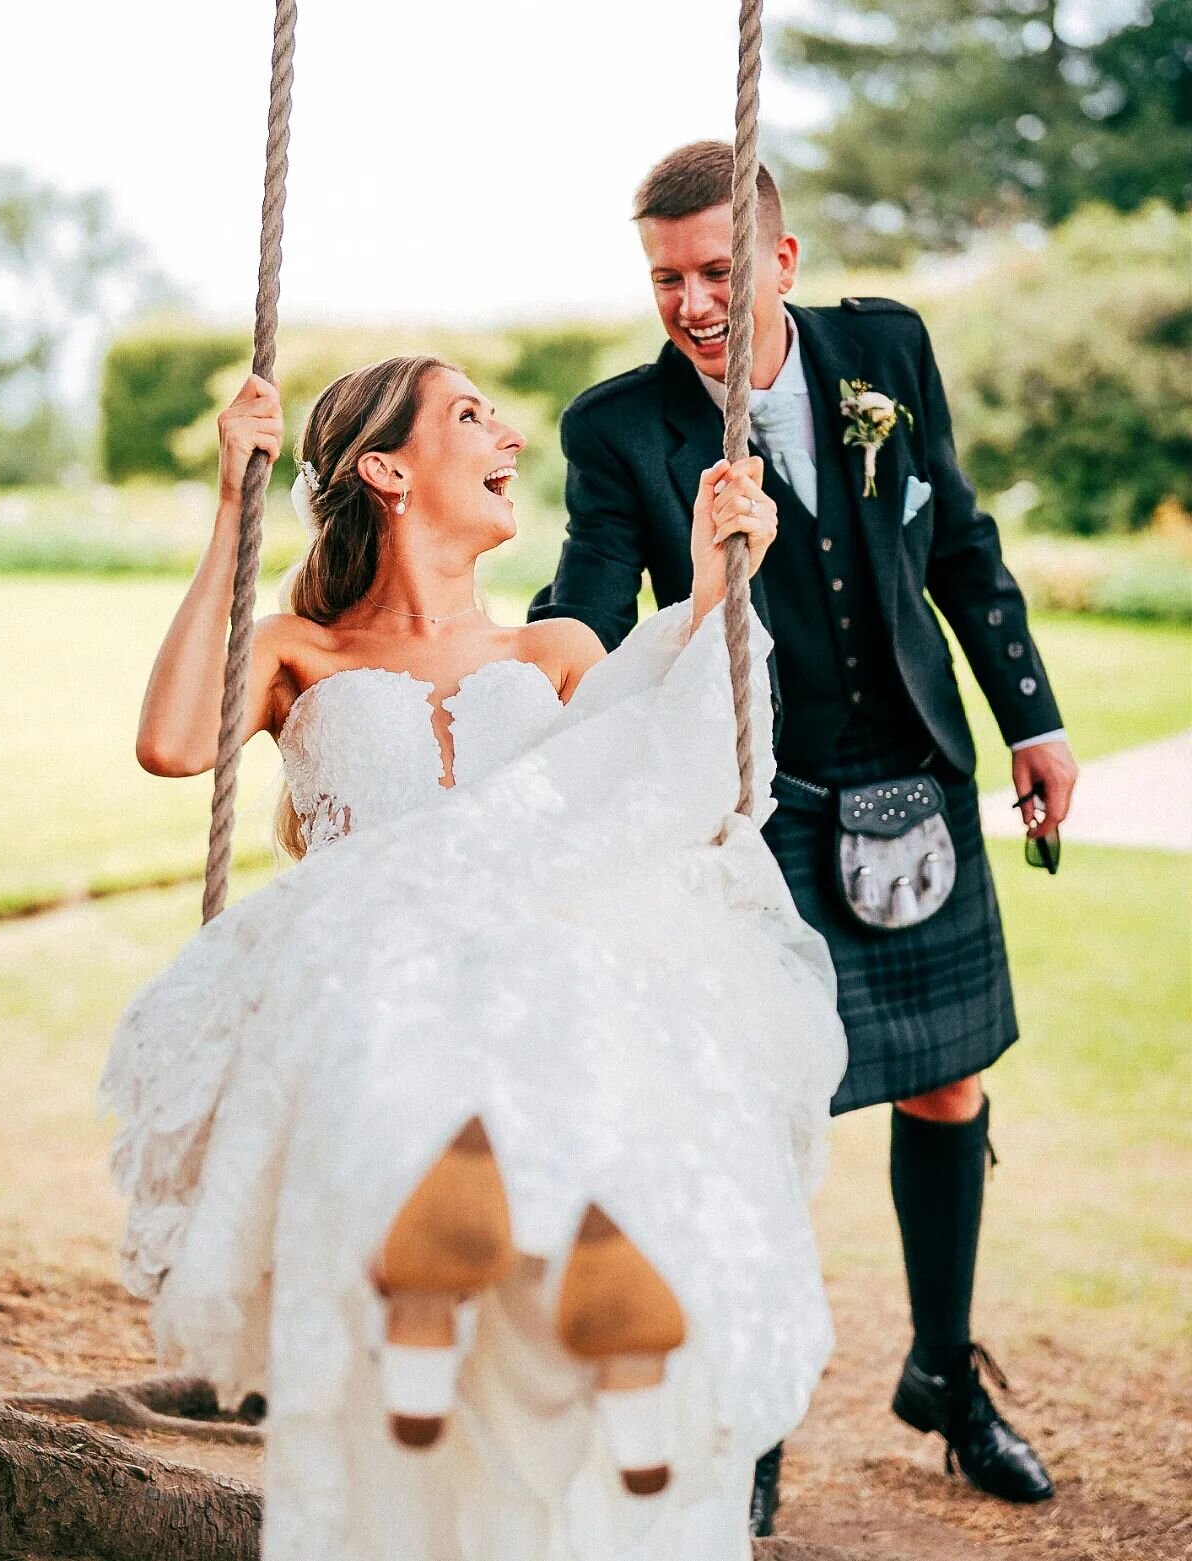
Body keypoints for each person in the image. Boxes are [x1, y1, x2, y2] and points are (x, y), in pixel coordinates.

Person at [102, 353, 848, 1560]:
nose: (508, 434)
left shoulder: (554, 651)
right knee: (413, 993)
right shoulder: (301, 650)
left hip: (540, 991)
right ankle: (449, 1273)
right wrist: (233, 503)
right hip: (369, 995)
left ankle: (587, 1311)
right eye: (469, 415)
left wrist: (720, 588)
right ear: (388, 469)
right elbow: (176, 741)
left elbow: (668, 786)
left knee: (572, 987)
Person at [529, 140, 1076, 1536]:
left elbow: (956, 534)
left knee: (948, 1085)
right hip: (757, 809)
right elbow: (588, 592)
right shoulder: (619, 430)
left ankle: (942, 1374)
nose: (694, 301)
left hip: (920, 769)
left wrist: (1033, 716)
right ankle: (759, 1406)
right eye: (666, 278)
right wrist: (522, 679)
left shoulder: (886, 348)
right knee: (769, 1120)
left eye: (717, 269)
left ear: (781, 257)